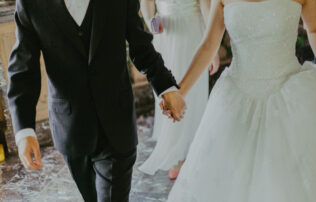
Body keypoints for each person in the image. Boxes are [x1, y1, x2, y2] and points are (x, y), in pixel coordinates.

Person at [7, 0, 186, 201]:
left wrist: (166, 87)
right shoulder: (31, 3)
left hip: (117, 125)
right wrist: (24, 131)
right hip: (70, 128)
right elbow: (23, 69)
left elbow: (141, 46)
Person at [164, 0, 316, 201]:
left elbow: (315, 30)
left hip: (289, 99)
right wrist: (180, 91)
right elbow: (209, 44)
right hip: (235, 100)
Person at [138, 0, 219, 180]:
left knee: (188, 91)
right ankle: (178, 152)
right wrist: (153, 23)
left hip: (180, 35)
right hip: (172, 35)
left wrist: (212, 50)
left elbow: (206, 8)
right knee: (176, 91)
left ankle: (186, 151)